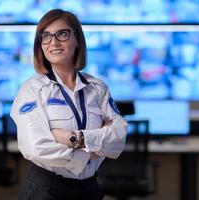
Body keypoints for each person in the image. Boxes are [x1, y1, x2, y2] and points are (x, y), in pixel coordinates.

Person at [10, 9, 128, 200]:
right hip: (46, 190)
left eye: (62, 34)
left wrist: (74, 138)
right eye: (46, 36)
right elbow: (36, 147)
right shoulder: (32, 90)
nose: (53, 42)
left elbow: (118, 137)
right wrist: (89, 154)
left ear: (78, 40)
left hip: (89, 189)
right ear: (40, 45)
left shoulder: (97, 88)